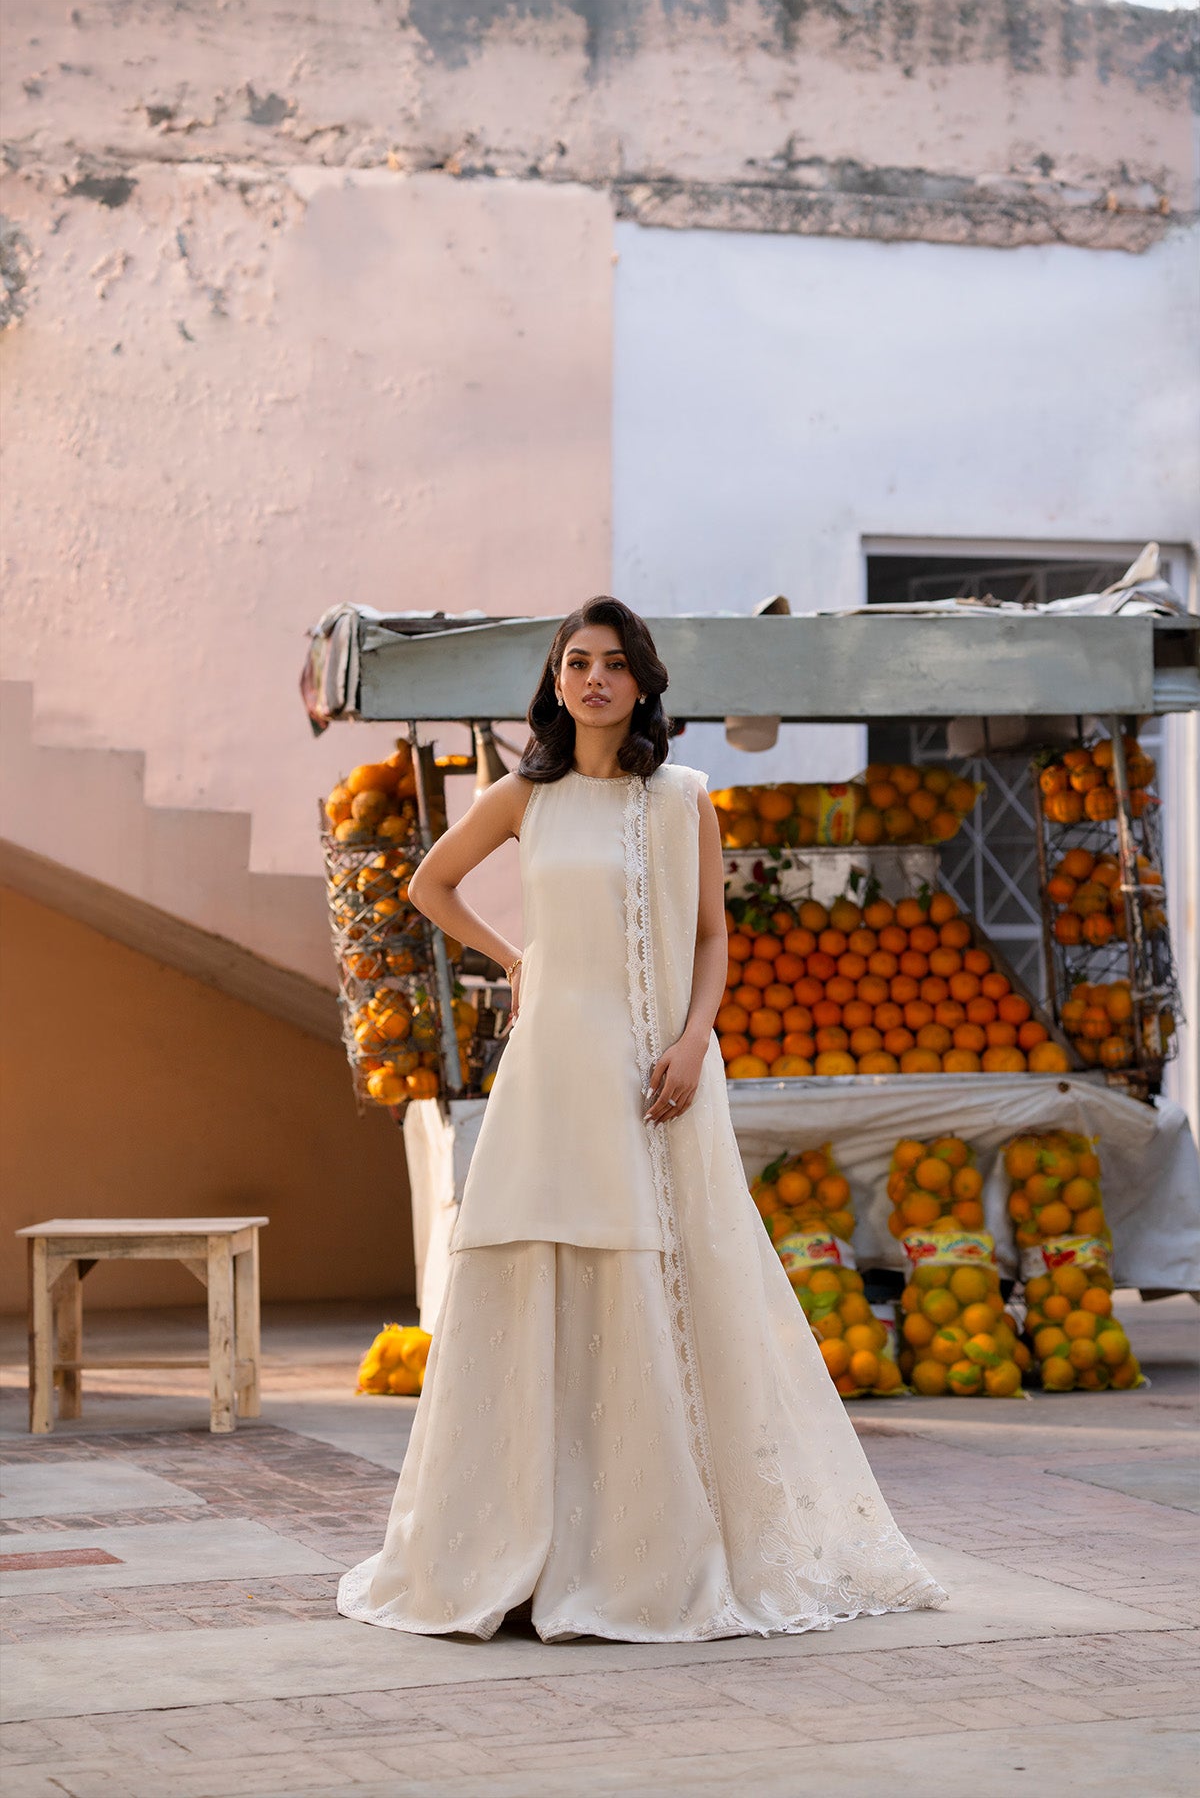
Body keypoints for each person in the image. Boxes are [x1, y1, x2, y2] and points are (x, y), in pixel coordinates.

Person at [336, 597, 947, 1643]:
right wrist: (515, 960)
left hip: (652, 1075)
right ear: (556, 682)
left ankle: (639, 1550)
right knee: (531, 1261)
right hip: (549, 1071)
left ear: (643, 684)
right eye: (577, 663)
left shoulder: (683, 800)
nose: (594, 680)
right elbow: (430, 884)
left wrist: (696, 1036)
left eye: (614, 664)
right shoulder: (524, 797)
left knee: (653, 1271)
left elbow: (712, 936)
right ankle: (518, 1547)